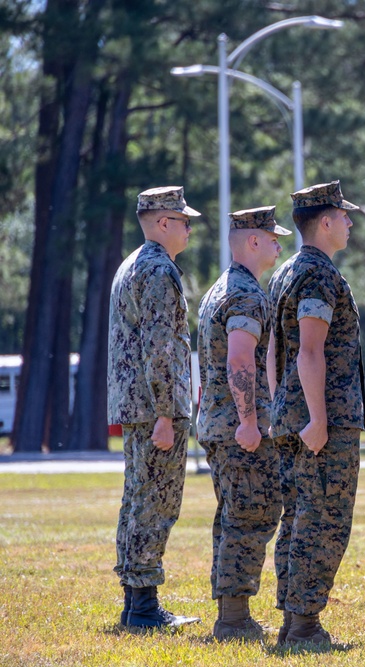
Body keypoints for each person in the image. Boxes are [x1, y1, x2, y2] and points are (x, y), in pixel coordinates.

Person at [267, 181, 365, 648]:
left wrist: (280, 407)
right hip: (320, 420)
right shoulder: (318, 275)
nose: (349, 222)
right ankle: (304, 625)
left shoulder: (287, 271)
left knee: (299, 517)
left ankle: (293, 620)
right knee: (322, 519)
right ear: (324, 222)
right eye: (343, 216)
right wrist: (319, 418)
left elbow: (272, 352)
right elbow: (309, 351)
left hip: (292, 416)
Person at [108, 186, 202, 630]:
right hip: (154, 408)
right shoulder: (159, 270)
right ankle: (143, 609)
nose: (189, 229)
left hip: (136, 404)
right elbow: (160, 348)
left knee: (137, 500)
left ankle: (135, 602)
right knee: (155, 505)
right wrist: (167, 413)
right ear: (163, 222)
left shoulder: (132, 264)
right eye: (184, 221)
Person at [197, 206, 291, 640]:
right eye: (272, 237)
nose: (278, 243)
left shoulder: (223, 287)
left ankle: (232, 612)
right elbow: (239, 359)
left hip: (219, 423)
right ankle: (233, 620)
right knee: (251, 515)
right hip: (239, 428)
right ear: (252, 240)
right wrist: (250, 422)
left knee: (235, 515)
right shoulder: (246, 294)